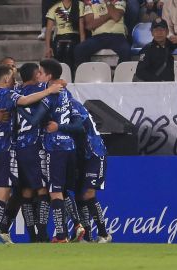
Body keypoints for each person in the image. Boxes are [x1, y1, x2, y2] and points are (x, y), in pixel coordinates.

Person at [0, 65, 63, 244]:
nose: (15, 81)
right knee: (4, 191)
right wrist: (50, 90)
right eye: (12, 77)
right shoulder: (8, 95)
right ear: (6, 79)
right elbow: (26, 100)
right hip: (5, 149)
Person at [20, 59, 77, 243]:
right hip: (69, 145)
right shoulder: (65, 91)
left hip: (53, 147)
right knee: (62, 190)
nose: (39, 75)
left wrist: (19, 110)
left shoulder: (48, 95)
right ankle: (75, 227)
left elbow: (35, 121)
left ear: (48, 75)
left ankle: (61, 235)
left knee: (54, 191)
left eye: (41, 72)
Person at [45, 99, 112, 243]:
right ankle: (86, 236)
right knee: (79, 196)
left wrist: (59, 127)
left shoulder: (72, 104)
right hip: (79, 155)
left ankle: (104, 234)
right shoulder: (58, 106)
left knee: (88, 194)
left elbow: (80, 128)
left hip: (94, 152)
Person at [74, 0, 131, 67]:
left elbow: (116, 16)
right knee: (79, 49)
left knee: (126, 51)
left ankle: (119, 76)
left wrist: (107, 2)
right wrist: (109, 14)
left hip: (117, 36)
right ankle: (90, 74)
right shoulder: (90, 1)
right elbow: (90, 25)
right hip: (97, 37)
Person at [44, 0, 85, 71]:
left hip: (74, 36)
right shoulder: (55, 8)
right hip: (59, 37)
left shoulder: (79, 5)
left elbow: (81, 27)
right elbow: (48, 30)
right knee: (58, 48)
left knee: (68, 48)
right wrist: (48, 47)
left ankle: (70, 76)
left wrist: (83, 44)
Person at [134, 17, 174, 82]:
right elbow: (140, 72)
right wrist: (159, 81)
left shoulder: (172, 46)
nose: (159, 33)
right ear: (152, 33)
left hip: (170, 87)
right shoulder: (147, 50)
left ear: (167, 32)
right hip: (153, 88)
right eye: (156, 30)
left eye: (162, 30)